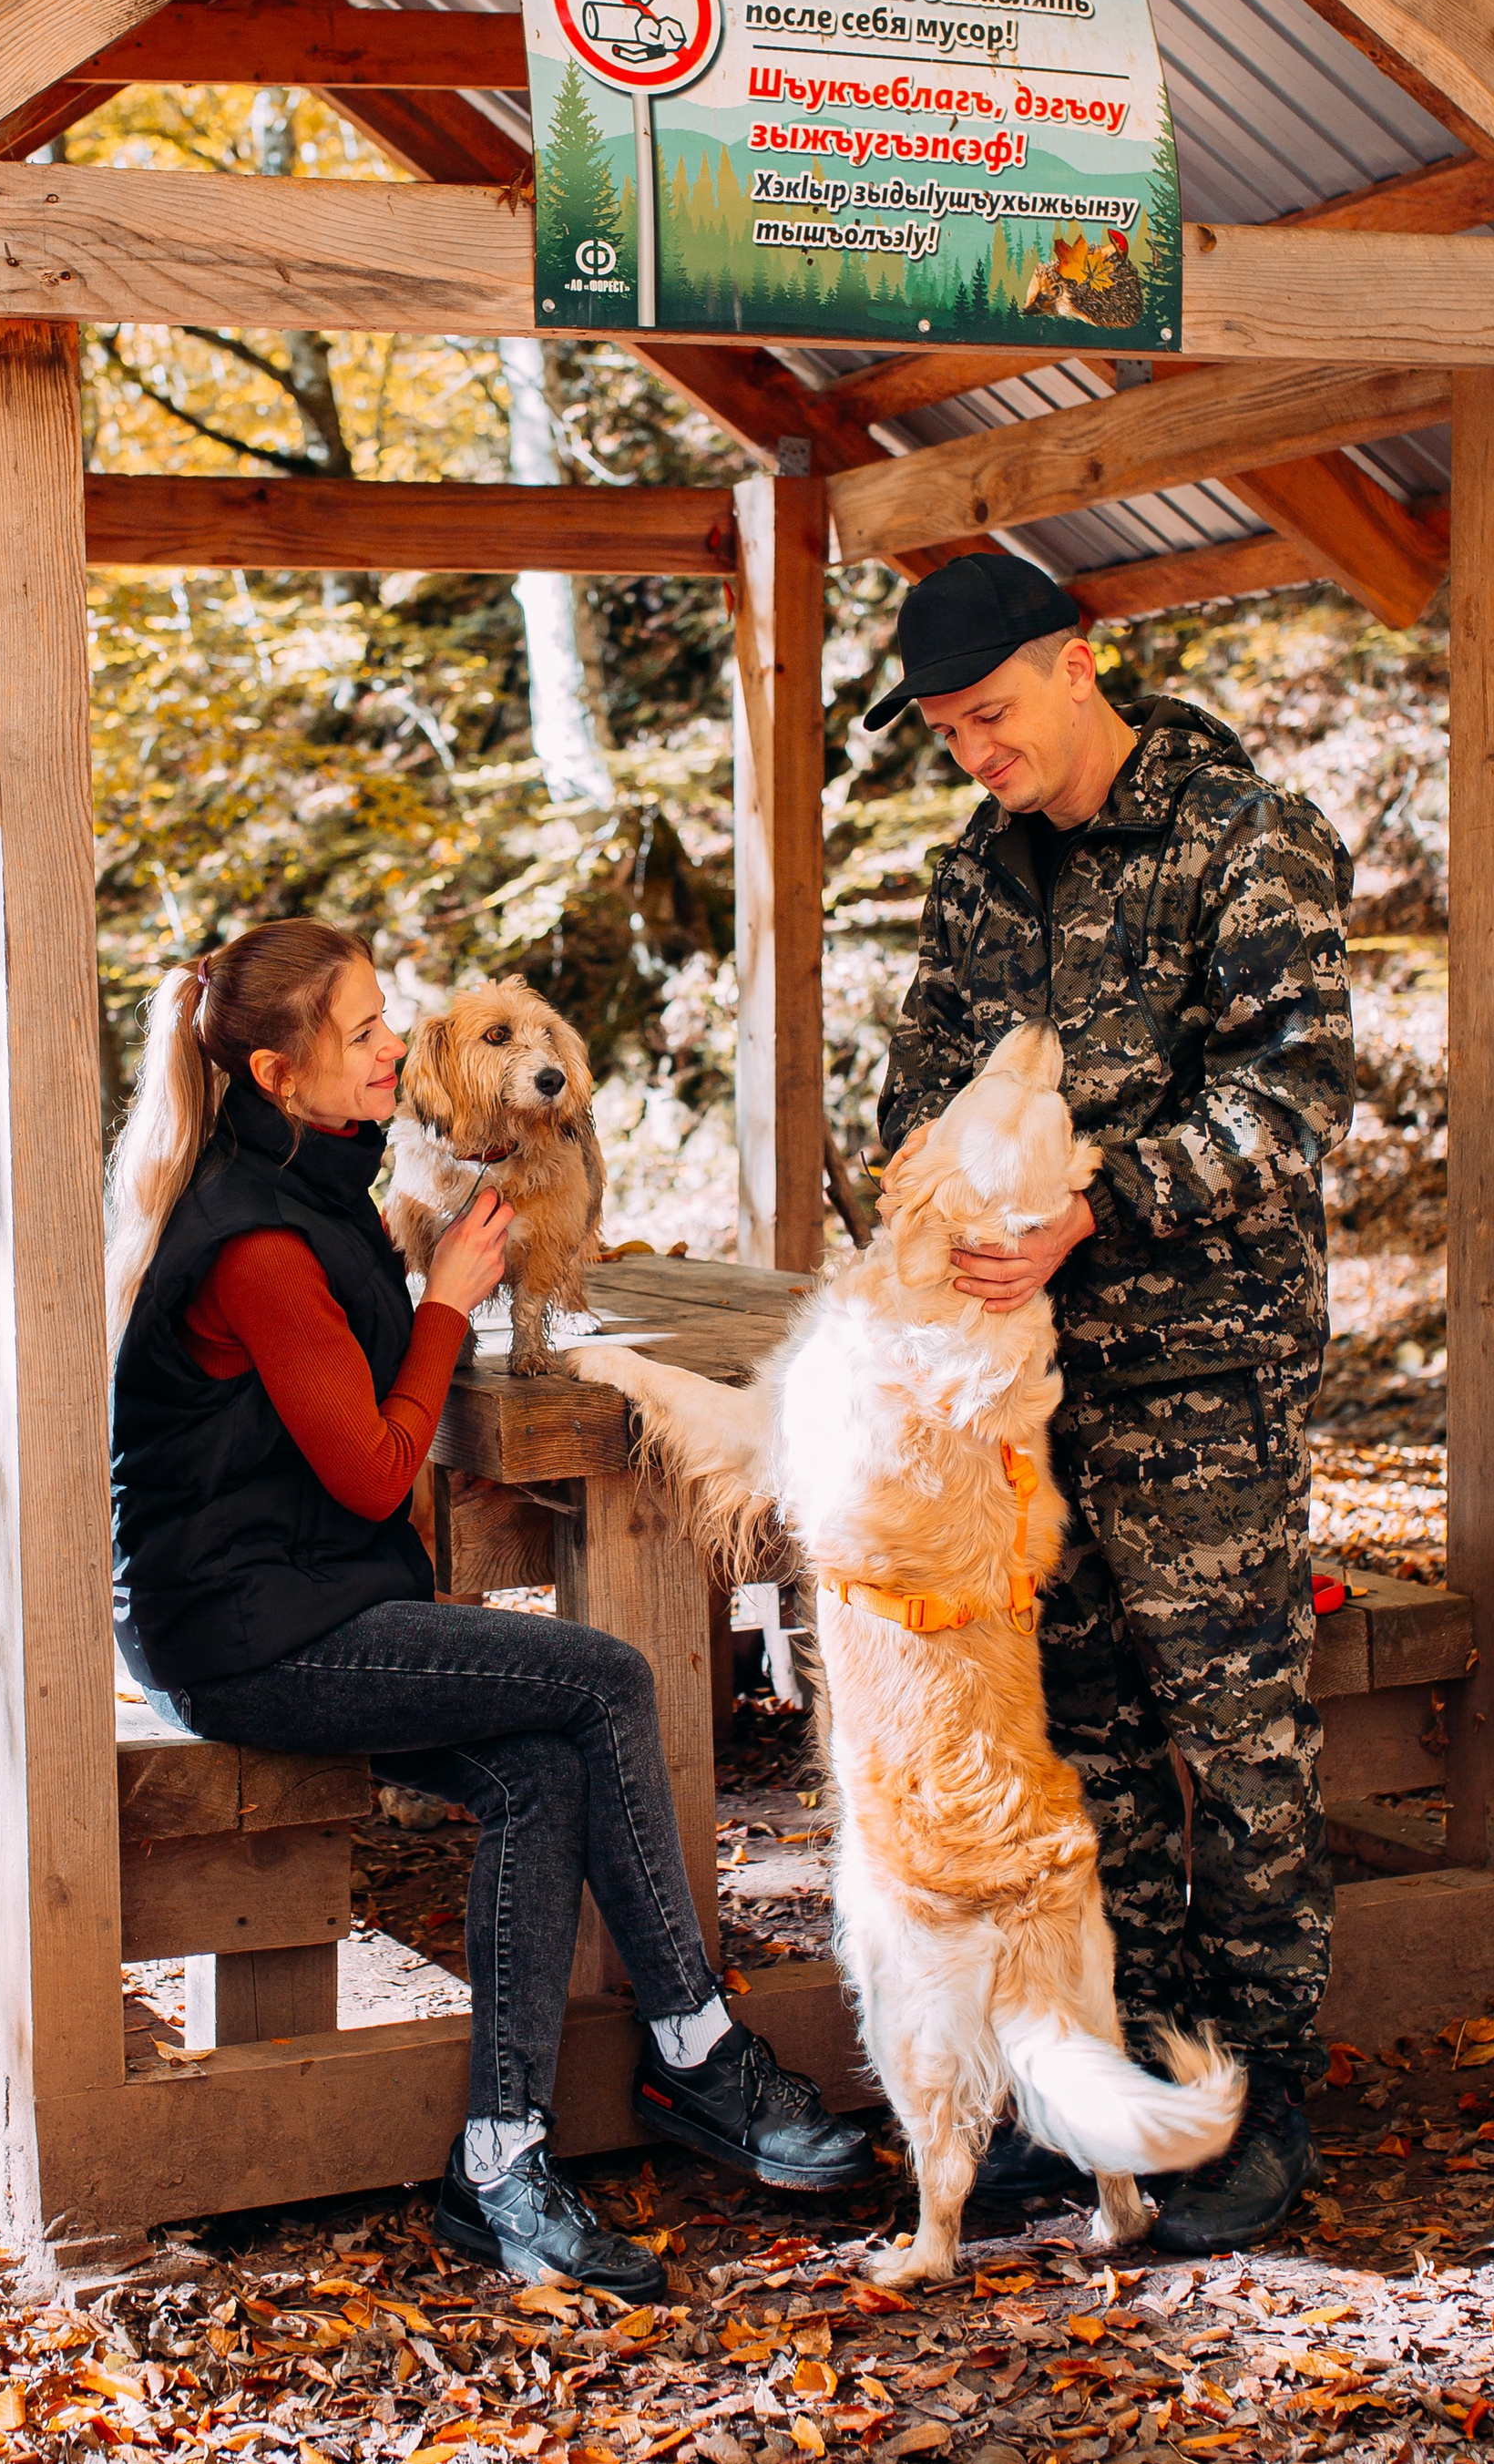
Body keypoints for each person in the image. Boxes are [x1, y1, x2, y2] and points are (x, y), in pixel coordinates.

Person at [106, 918, 870, 2295]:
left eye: (391, 1020)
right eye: (365, 1033)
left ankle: (501, 2159)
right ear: (282, 1074)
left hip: (302, 1594)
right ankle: (697, 2050)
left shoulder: (318, 1171)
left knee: (537, 1766)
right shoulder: (256, 1239)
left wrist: (444, 1278)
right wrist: (452, 1297)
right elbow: (383, 1462)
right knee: (608, 1679)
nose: (398, 1045)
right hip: (242, 1634)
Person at [865, 556, 1355, 2254]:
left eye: (990, 717)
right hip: (1019, 1401)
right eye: (943, 733)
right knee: (1090, 1758)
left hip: (1200, 1381)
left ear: (1083, 664)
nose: (973, 756)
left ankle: (1266, 2090)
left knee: (1238, 1749)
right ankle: (1131, 2082)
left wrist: (1101, 1200)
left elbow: (1290, 1103)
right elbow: (915, 1085)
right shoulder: (976, 873)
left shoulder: (1245, 834)